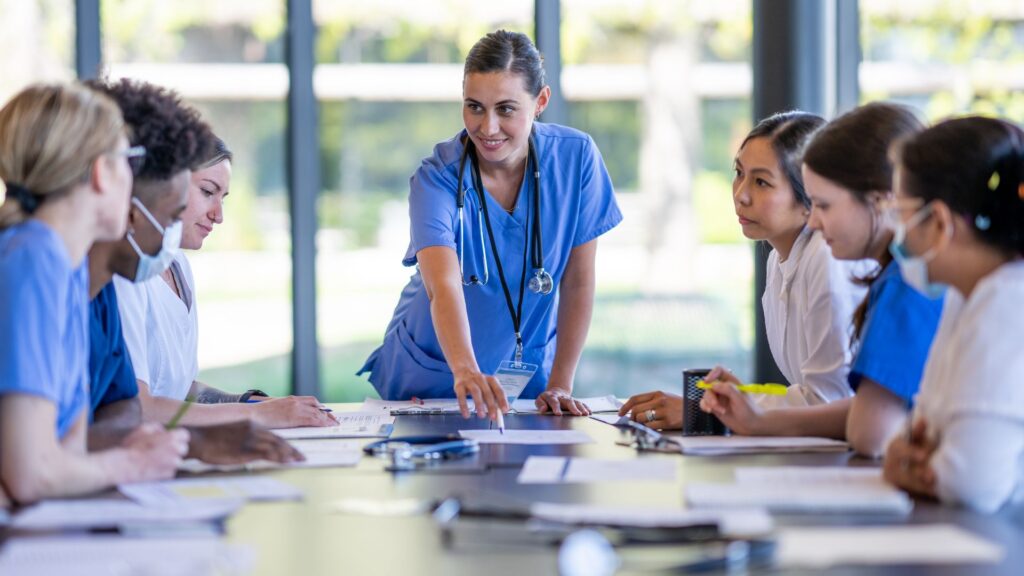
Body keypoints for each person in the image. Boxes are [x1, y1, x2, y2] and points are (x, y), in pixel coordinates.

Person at [359, 30, 622, 420]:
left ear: (541, 102)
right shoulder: (437, 179)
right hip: (434, 375)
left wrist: (562, 383)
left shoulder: (577, 160)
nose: (488, 127)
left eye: (506, 109)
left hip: (527, 376)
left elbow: (578, 280)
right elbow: (442, 284)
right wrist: (464, 368)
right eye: (475, 107)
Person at [697, 103, 944, 458]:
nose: (741, 194)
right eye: (739, 173)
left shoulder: (903, 284)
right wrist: (754, 410)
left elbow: (865, 428)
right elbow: (863, 408)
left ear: (882, 201)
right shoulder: (897, 277)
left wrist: (758, 413)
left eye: (823, 205)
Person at [89, 79, 334, 429]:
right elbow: (137, 404)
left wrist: (252, 403)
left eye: (223, 198)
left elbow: (178, 389)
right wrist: (257, 415)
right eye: (207, 192)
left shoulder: (176, 265)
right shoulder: (124, 272)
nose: (218, 215)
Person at [620, 111, 872, 428]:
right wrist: (735, 397)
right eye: (739, 173)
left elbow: (827, 400)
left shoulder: (826, 257)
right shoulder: (780, 258)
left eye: (762, 182)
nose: (741, 195)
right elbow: (810, 395)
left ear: (810, 195)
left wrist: (704, 409)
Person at [0, 83, 187, 503]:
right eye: (129, 161)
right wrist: (134, 463)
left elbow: (68, 449)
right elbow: (33, 474)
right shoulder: (32, 259)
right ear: (103, 171)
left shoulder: (66, 269)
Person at [883, 116, 1024, 512]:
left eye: (900, 213)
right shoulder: (967, 298)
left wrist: (912, 465)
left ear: (940, 222)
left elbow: (970, 482)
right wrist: (905, 456)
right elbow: (914, 434)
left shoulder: (1007, 304)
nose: (897, 231)